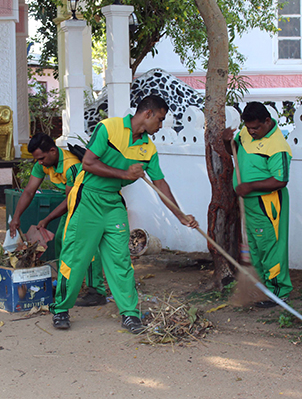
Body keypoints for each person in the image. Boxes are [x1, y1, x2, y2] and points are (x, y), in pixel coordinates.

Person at [50, 94, 198, 333]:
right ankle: (60, 309)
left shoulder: (148, 148)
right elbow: (88, 162)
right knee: (76, 258)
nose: (160, 126)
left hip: (113, 204)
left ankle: (129, 314)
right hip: (87, 197)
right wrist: (125, 174)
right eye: (159, 119)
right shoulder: (109, 128)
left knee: (120, 260)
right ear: (147, 113)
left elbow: (160, 183)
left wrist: (180, 215)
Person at [9, 133, 107, 306]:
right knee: (63, 241)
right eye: (37, 159)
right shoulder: (43, 163)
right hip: (74, 202)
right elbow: (29, 191)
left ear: (53, 151)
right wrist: (16, 217)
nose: (39, 162)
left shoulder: (72, 165)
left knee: (88, 245)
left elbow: (72, 200)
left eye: (41, 158)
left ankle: (96, 291)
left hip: (91, 202)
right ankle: (66, 285)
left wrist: (47, 219)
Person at [223, 102, 292, 308]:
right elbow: (233, 149)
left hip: (268, 204)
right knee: (254, 246)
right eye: (248, 128)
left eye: (255, 128)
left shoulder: (278, 146)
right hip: (248, 202)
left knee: (270, 247)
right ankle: (262, 288)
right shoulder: (245, 132)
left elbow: (281, 180)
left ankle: (279, 292)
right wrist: (227, 141)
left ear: (267, 121)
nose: (251, 132)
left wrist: (250, 187)